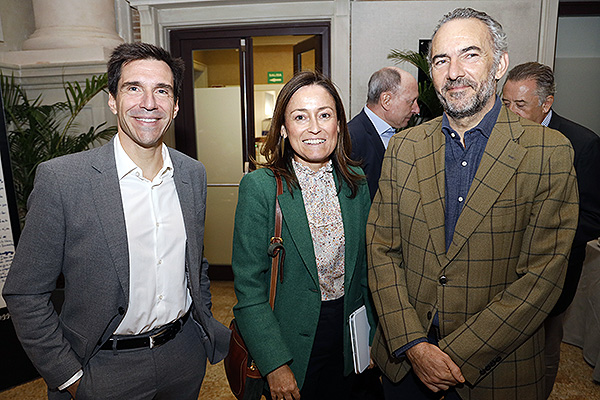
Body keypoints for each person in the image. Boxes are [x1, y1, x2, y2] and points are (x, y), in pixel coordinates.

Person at [367, 8, 579, 400]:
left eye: (470, 54)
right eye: (441, 60)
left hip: (497, 374)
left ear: (500, 65)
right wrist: (413, 344)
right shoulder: (404, 147)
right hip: (405, 369)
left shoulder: (548, 152)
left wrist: (450, 355)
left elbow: (542, 276)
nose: (454, 72)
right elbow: (381, 249)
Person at [2, 42, 230, 400]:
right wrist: (69, 377)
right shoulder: (64, 181)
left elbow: (194, 262)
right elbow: (25, 292)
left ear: (175, 105)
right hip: (102, 367)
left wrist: (198, 334)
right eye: (133, 88)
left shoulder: (192, 174)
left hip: (183, 356)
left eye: (162, 91)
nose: (149, 103)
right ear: (112, 100)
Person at [232, 70, 376, 400]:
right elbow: (249, 287)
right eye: (300, 116)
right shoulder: (261, 188)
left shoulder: (355, 181)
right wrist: (275, 364)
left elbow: (369, 268)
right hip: (288, 340)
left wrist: (372, 337)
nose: (314, 127)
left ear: (338, 122)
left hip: (348, 333)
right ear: (283, 127)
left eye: (324, 115)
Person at [502, 61, 600, 398]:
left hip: (553, 275)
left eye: (520, 105)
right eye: (505, 103)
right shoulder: (496, 138)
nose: (510, 114)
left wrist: (539, 243)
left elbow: (591, 217)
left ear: (546, 103)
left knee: (542, 350)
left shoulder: (581, 144)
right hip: (501, 272)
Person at [349, 67, 420, 200]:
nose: (417, 110)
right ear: (386, 100)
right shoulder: (351, 140)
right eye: (411, 102)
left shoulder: (402, 135)